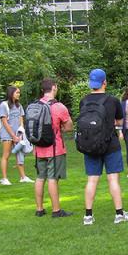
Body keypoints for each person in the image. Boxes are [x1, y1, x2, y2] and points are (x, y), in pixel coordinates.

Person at [81, 69, 128, 226]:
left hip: (90, 144)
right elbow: (120, 122)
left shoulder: (84, 101)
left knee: (92, 180)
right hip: (110, 144)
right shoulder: (113, 100)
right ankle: (119, 214)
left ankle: (88, 216)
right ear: (105, 82)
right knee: (113, 179)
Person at [33, 78, 73, 218]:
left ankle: (39, 209)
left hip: (38, 148)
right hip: (54, 148)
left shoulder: (35, 106)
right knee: (53, 178)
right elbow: (69, 127)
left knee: (40, 177)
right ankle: (56, 210)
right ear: (54, 87)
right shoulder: (58, 106)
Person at [0, 85, 32, 185]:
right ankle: (4, 178)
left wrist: (20, 133)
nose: (18, 94)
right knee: (6, 155)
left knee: (20, 155)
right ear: (11, 93)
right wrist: (13, 136)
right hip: (7, 135)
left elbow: (21, 120)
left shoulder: (19, 106)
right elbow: (4, 122)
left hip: (18, 135)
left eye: (19, 93)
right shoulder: (4, 105)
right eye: (17, 92)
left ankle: (23, 177)